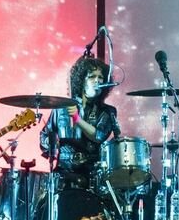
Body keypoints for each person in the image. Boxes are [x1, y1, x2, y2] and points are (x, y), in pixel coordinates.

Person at [40, 56, 121, 191]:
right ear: (81, 80)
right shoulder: (61, 109)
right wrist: (53, 143)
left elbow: (99, 136)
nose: (97, 80)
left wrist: (78, 119)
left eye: (100, 77)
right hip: (63, 174)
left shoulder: (108, 112)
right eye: (91, 76)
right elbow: (45, 136)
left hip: (91, 176)